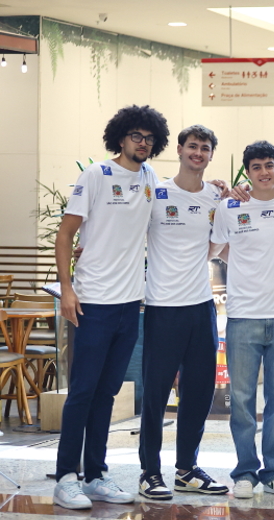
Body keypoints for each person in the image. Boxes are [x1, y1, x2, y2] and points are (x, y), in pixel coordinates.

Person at [53, 105, 168, 510]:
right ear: (120, 138)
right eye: (136, 136)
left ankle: (96, 474)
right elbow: (65, 234)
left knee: (106, 393)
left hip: (129, 304)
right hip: (93, 303)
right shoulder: (97, 175)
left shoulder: (151, 178)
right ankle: (66, 477)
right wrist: (68, 289)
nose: (143, 143)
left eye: (149, 138)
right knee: (82, 391)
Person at [211, 141, 274, 498]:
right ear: (247, 172)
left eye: (270, 165)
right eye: (257, 167)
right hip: (244, 318)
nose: (265, 172)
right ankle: (245, 471)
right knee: (243, 399)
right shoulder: (231, 207)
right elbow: (216, 248)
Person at [138, 124, 228, 500]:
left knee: (199, 391)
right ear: (179, 149)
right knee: (157, 394)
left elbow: (216, 247)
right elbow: (127, 231)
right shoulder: (157, 192)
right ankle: (149, 472)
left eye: (205, 148)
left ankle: (186, 469)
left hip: (200, 307)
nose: (198, 153)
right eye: (192, 146)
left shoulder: (215, 197)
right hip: (162, 307)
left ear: (210, 155)